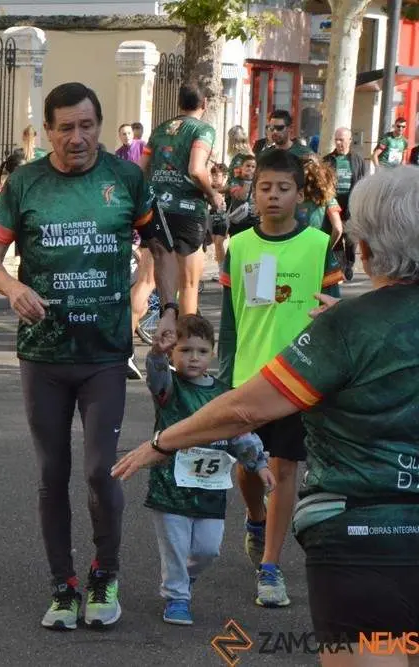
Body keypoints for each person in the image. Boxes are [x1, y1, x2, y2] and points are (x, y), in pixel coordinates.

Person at [114, 165, 419, 667]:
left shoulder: (344, 327)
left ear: (363, 247)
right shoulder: (331, 313)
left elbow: (243, 409)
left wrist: (161, 443)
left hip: (360, 541)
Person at [0, 82, 179, 629]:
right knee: (52, 472)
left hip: (104, 355)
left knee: (98, 471)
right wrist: (12, 289)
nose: (77, 138)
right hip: (42, 356)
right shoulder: (24, 182)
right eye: (65, 128)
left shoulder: (126, 177)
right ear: (48, 132)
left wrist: (165, 310)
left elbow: (161, 248)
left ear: (99, 125)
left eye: (86, 125)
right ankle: (62, 584)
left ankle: (105, 574)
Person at [216, 148, 343, 608]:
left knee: (284, 468)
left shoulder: (317, 245)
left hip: (299, 379)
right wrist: (224, 372)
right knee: (250, 467)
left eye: (282, 188)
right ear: (254, 192)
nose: (272, 196)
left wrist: (333, 369)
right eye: (265, 187)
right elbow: (231, 320)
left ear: (298, 193)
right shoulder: (241, 247)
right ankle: (254, 516)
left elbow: (335, 311)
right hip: (249, 378)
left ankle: (270, 567)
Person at [143, 314, 273, 626]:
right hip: (170, 487)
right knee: (174, 547)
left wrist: (259, 464)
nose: (193, 358)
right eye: (185, 350)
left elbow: (239, 433)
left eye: (201, 351)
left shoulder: (224, 394)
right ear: (174, 353)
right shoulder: (170, 389)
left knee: (207, 550)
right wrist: (157, 354)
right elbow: (156, 376)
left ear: (213, 353)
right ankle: (177, 597)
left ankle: (183, 580)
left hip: (210, 490)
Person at [142, 83, 225, 316]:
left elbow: (140, 169)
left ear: (179, 103)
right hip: (187, 211)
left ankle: (125, 348)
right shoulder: (203, 130)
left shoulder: (159, 129)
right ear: (205, 104)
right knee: (188, 285)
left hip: (155, 209)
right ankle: (182, 347)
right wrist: (213, 195)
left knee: (146, 283)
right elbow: (197, 170)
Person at [323, 127, 366, 280]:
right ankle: (340, 266)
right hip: (333, 205)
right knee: (336, 235)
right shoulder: (328, 160)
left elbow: (362, 181)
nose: (339, 143)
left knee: (350, 239)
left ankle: (349, 264)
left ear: (349, 140)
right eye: (337, 140)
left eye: (342, 139)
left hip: (351, 205)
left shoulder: (357, 160)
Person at [296, 155, 343, 246]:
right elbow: (337, 228)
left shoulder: (293, 196)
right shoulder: (328, 197)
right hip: (318, 246)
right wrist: (327, 248)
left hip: (296, 246)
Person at [225, 154, 258, 239]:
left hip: (253, 221)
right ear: (241, 167)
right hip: (238, 221)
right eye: (247, 166)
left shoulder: (257, 181)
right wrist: (248, 181)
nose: (250, 169)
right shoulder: (235, 181)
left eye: (253, 167)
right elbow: (241, 197)